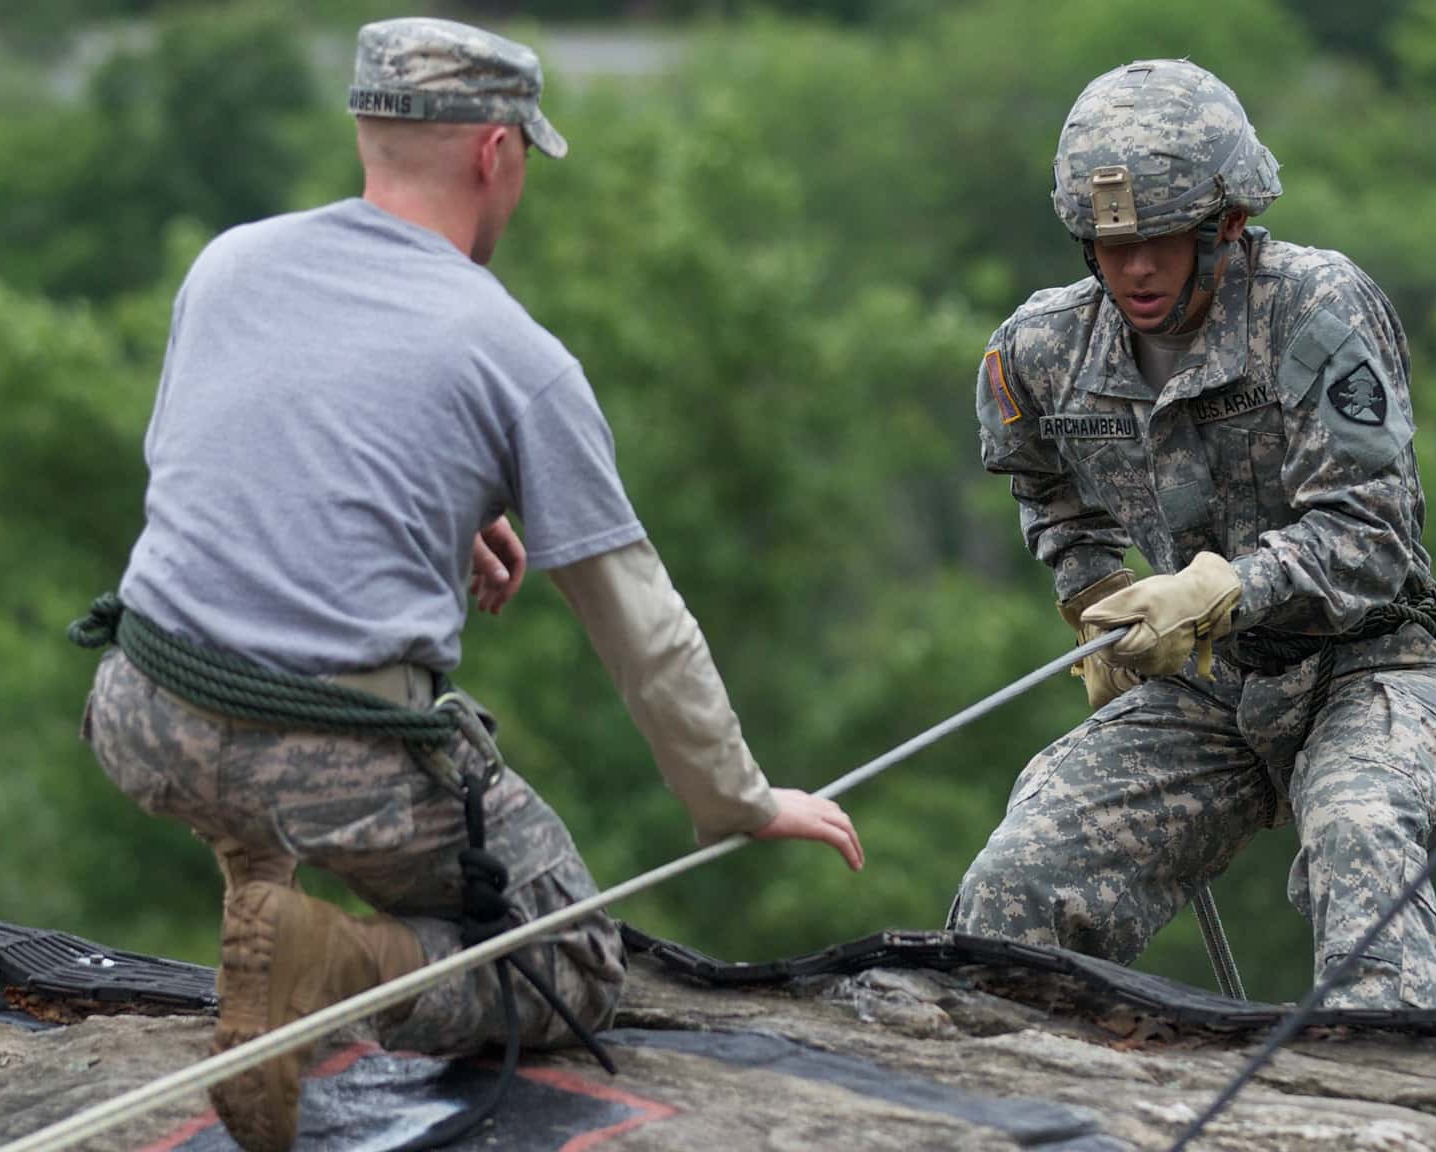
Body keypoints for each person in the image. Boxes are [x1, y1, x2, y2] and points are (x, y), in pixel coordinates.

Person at [76, 18, 863, 1152]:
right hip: (321, 751)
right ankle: (320, 967)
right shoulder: (513, 354)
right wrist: (737, 803)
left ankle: (260, 915)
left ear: (369, 129)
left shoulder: (229, 261)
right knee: (568, 965)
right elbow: (639, 627)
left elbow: (212, 484)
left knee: (249, 721)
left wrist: (453, 501)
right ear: (497, 154)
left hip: (139, 715)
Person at [951, 59, 1436, 1010]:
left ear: (1224, 224)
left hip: (1371, 669)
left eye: (1159, 241)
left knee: (1362, 840)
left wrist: (1216, 590)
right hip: (1209, 691)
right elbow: (1041, 481)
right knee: (1018, 876)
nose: (1134, 270)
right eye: (1109, 247)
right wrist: (1093, 594)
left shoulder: (1315, 311)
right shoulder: (1041, 350)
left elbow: (1370, 535)